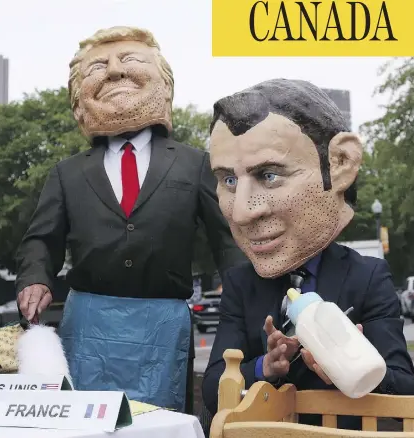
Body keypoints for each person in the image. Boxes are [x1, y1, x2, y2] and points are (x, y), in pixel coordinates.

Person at [15, 26, 245, 412]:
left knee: (159, 422)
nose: (116, 73)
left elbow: (227, 237)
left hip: (163, 323)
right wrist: (35, 278)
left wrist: (245, 294)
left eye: (131, 61)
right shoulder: (67, 173)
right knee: (83, 422)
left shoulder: (194, 164)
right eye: (99, 67)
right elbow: (41, 239)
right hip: (87, 322)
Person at [202, 79, 414, 429]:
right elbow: (214, 388)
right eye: (228, 180)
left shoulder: (367, 277)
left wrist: (354, 366)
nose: (242, 212)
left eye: (269, 175)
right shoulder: (241, 284)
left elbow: (404, 393)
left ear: (340, 164)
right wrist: (265, 367)